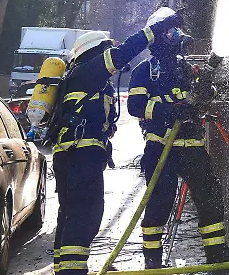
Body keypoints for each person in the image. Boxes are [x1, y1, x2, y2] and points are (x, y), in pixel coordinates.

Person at [52, 15, 181, 275]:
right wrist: (154, 31)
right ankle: (72, 272)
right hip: (81, 154)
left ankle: (63, 269)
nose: (108, 54)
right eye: (104, 50)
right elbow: (123, 54)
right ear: (94, 52)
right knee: (84, 214)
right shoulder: (88, 71)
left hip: (73, 154)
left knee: (71, 213)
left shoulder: (82, 77)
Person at [127, 7, 229, 269]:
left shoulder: (185, 68)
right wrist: (170, 110)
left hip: (192, 146)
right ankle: (153, 262)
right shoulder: (145, 70)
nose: (177, 35)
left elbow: (198, 101)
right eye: (171, 30)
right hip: (160, 147)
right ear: (159, 35)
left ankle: (216, 257)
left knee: (210, 197)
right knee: (159, 202)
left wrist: (208, 91)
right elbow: (135, 106)